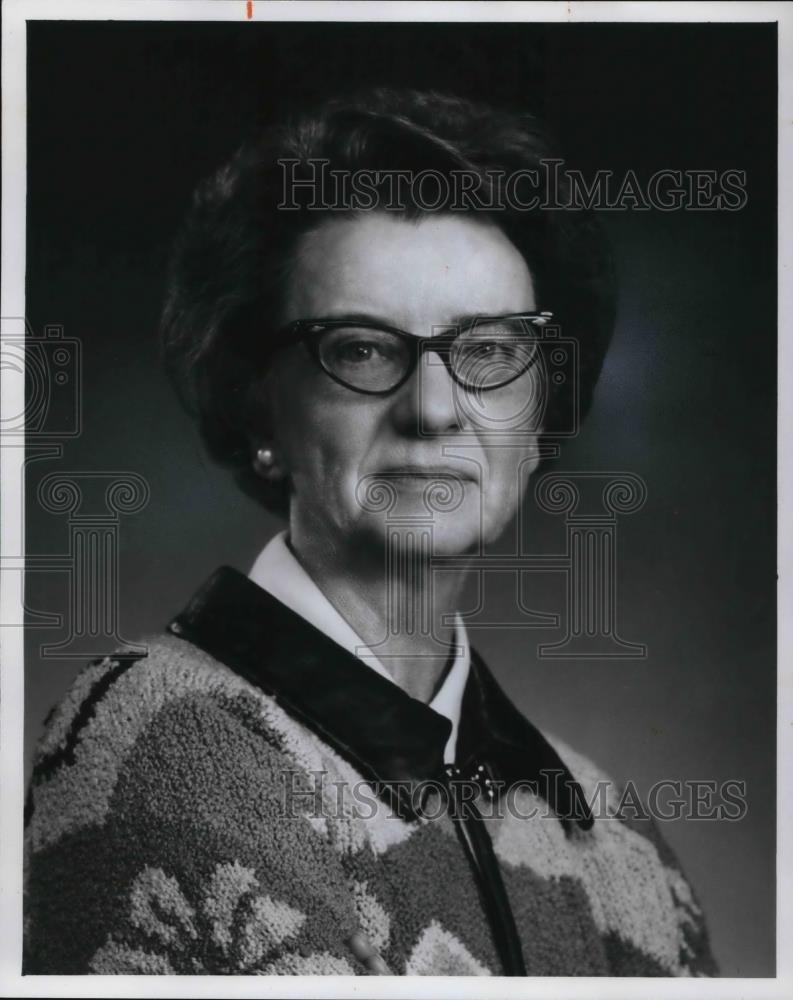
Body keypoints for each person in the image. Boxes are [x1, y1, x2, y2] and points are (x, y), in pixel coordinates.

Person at [23, 88, 716, 976]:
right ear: (256, 406)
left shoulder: (617, 840)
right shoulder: (155, 739)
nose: (433, 411)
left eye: (491, 352)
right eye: (358, 349)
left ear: (540, 421)